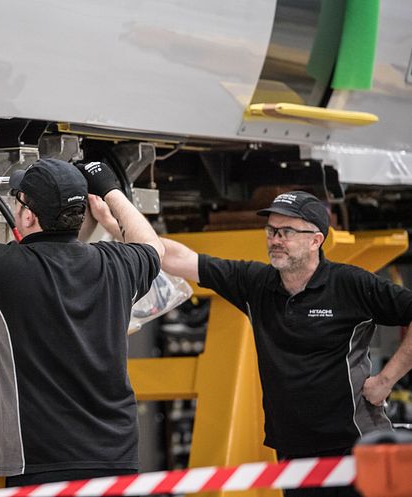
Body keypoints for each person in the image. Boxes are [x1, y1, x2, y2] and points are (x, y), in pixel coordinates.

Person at [88, 190, 412, 497]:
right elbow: (178, 258)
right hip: (293, 451)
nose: (275, 239)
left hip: (354, 445)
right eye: (271, 230)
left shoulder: (349, 284)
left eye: (287, 231)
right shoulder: (257, 284)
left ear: (316, 240)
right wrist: (113, 224)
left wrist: (386, 380)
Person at [0, 158, 164, 486]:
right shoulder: (115, 264)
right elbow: (152, 247)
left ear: (28, 215)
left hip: (40, 462)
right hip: (115, 456)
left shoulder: (2, 268)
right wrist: (112, 189)